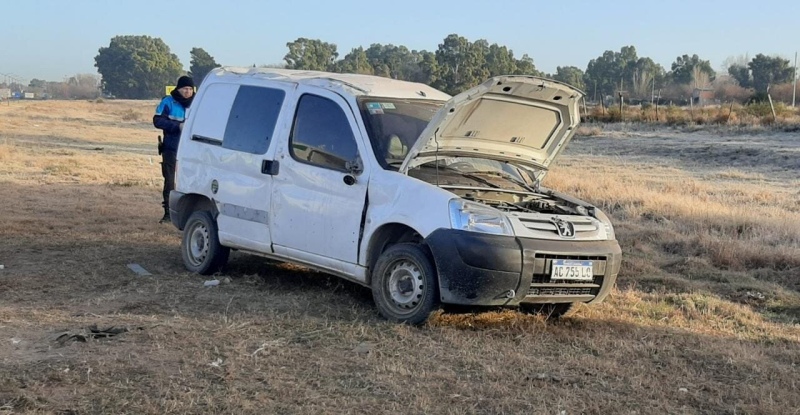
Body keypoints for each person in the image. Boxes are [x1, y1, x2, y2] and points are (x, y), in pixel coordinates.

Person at [153, 75, 194, 223]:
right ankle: (168, 214)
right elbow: (157, 120)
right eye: (185, 89)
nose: (187, 92)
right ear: (178, 89)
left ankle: (189, 215)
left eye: (190, 89)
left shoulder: (198, 102)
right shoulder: (168, 102)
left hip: (191, 151)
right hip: (171, 148)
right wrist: (177, 126)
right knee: (170, 182)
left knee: (191, 182)